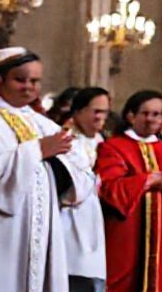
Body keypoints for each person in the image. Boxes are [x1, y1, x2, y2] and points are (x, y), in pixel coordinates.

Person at [0, 47, 95, 291]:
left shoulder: (37, 120)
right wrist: (35, 151)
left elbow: (79, 161)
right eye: (20, 79)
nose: (29, 87)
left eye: (35, 81)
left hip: (35, 228)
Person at [96, 90, 162, 292]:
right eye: (145, 113)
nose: (151, 119)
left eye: (156, 114)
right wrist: (151, 180)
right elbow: (109, 187)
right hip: (128, 232)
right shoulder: (113, 147)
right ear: (131, 116)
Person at [62, 87, 111, 292]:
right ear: (78, 111)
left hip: (100, 220)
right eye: (96, 111)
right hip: (70, 219)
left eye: (105, 112)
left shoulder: (106, 141)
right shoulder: (64, 140)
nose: (101, 117)